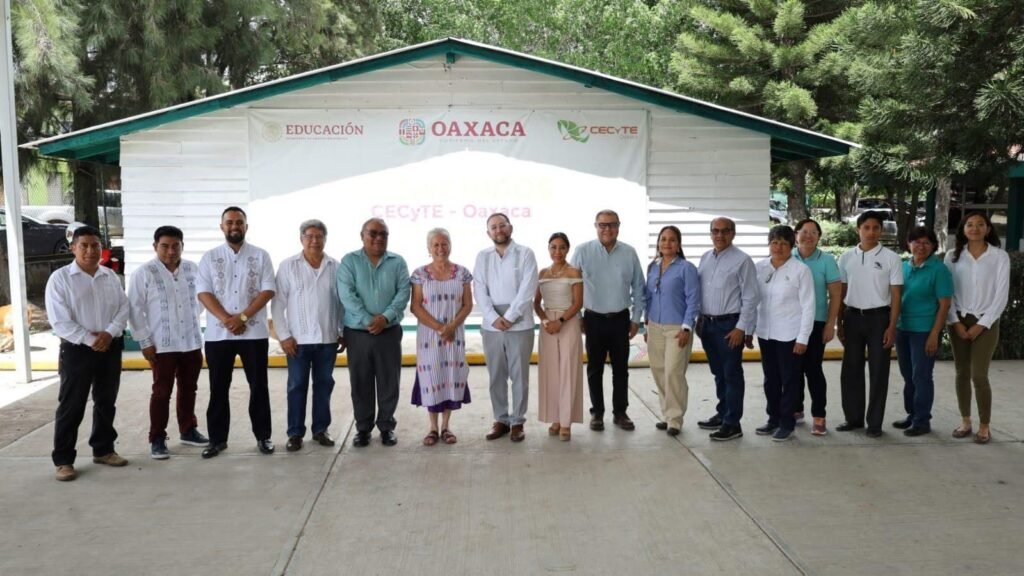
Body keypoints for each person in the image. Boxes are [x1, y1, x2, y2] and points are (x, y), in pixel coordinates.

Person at [46, 225, 130, 481]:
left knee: (106, 401)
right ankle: (63, 460)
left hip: (109, 347)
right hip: (77, 349)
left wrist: (109, 333)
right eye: (84, 246)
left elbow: (123, 308)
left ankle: (103, 449)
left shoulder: (109, 276)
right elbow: (60, 321)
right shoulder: (60, 279)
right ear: (73, 248)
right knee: (72, 404)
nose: (90, 251)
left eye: (95, 245)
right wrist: (92, 339)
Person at [197, 206, 277, 458]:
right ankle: (217, 440)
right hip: (218, 335)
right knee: (218, 388)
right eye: (230, 222)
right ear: (222, 226)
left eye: (239, 222)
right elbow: (203, 292)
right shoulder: (209, 258)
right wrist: (227, 320)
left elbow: (268, 290)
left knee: (259, 386)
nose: (234, 226)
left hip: (254, 334)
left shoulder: (260, 256)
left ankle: (263, 436)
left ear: (246, 226)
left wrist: (242, 318)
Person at [128, 225, 209, 460]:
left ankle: (188, 429)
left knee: (189, 388)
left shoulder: (193, 270)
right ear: (155, 246)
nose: (171, 251)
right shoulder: (144, 273)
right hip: (161, 345)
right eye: (165, 246)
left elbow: (200, 302)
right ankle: (157, 438)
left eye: (176, 246)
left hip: (191, 341)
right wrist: (144, 341)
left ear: (183, 246)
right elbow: (135, 310)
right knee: (162, 392)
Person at [272, 220, 344, 452]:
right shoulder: (288, 266)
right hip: (297, 342)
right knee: (297, 386)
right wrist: (284, 336)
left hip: (327, 340)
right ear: (301, 239)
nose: (314, 241)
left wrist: (341, 331)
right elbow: (278, 304)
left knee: (324, 385)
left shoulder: (335, 266)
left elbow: (341, 303)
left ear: (325, 239)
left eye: (319, 236)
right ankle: (295, 433)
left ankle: (321, 430)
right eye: (309, 236)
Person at [338, 218, 411, 447]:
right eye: (373, 233)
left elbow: (403, 293)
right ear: (362, 235)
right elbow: (347, 295)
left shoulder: (397, 262)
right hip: (358, 333)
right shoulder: (349, 261)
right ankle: (363, 428)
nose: (378, 237)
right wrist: (370, 320)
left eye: (383, 234)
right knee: (361, 382)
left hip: (389, 332)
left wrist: (385, 318)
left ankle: (387, 427)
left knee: (389, 381)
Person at [571, 209, 646, 432]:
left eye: (612, 224)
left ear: (618, 227)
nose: (607, 229)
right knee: (595, 369)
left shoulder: (629, 253)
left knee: (621, 369)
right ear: (596, 226)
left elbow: (639, 287)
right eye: (602, 225)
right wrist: (578, 317)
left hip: (620, 320)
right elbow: (571, 286)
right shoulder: (582, 251)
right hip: (593, 320)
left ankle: (620, 412)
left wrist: (636, 320)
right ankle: (597, 413)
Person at [944, 212, 1010, 444]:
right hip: (959, 321)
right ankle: (965, 421)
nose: (975, 228)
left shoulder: (999, 257)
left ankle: (984, 425)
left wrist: (981, 325)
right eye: (970, 225)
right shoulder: (952, 256)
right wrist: (955, 322)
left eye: (980, 224)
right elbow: (947, 292)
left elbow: (1001, 296)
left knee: (979, 375)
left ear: (988, 229)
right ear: (963, 229)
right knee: (962, 373)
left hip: (987, 322)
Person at [836, 210, 903, 438]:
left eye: (876, 228)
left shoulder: (891, 258)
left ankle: (874, 423)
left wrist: (892, 326)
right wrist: (839, 322)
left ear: (881, 230)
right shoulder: (846, 257)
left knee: (879, 370)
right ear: (858, 230)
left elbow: (896, 295)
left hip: (879, 319)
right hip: (852, 317)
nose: (871, 232)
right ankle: (853, 418)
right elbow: (841, 292)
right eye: (866, 227)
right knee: (851, 369)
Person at [474, 213, 538, 442]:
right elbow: (479, 289)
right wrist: (493, 317)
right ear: (488, 233)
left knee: (520, 376)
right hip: (492, 327)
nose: (498, 230)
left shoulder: (525, 253)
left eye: (502, 225)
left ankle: (517, 422)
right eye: (493, 227)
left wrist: (509, 317)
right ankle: (501, 419)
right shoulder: (483, 257)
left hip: (519, 324)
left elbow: (528, 288)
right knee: (496, 376)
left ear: (510, 228)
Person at [696, 217, 759, 441]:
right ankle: (723, 413)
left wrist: (742, 328)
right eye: (715, 231)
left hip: (729, 325)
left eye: (725, 231)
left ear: (733, 233)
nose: (719, 235)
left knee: (732, 374)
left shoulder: (742, 260)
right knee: (718, 373)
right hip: (707, 324)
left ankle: (733, 424)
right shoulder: (705, 258)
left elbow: (751, 297)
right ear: (710, 233)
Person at [409, 228, 473, 446]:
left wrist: (451, 327)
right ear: (429, 248)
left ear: (450, 245)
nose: (440, 248)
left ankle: (446, 426)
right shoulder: (420, 274)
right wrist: (440, 328)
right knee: (431, 378)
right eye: (435, 245)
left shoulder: (462, 273)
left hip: (454, 335)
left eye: (444, 244)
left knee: (450, 376)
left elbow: (467, 304)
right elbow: (416, 306)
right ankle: (432, 428)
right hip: (429, 336)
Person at [753, 226, 815, 442]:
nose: (778, 247)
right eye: (774, 242)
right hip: (765, 332)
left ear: (792, 245)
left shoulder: (800, 270)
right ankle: (773, 418)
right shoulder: (760, 267)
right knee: (770, 379)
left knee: (790, 380)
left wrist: (803, 338)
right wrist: (749, 329)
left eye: (783, 243)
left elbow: (808, 306)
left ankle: (787, 422)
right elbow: (753, 300)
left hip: (790, 335)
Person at [893, 226, 953, 437]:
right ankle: (912, 415)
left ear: (933, 246)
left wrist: (934, 334)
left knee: (922, 376)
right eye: (916, 241)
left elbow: (944, 305)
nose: (921, 246)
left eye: (926, 242)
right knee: (908, 375)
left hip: (924, 332)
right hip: (902, 329)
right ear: (909, 244)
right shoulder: (903, 267)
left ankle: (922, 420)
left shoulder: (939, 270)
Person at [643, 225, 700, 436]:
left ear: (679, 244)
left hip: (677, 328)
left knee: (673, 373)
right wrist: (646, 324)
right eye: (663, 239)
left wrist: (687, 327)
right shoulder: (652, 267)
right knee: (659, 371)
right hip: (655, 327)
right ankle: (667, 415)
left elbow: (693, 300)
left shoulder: (686, 268)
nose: (667, 243)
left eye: (672, 239)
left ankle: (675, 419)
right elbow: (648, 297)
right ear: (658, 243)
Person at [792, 219, 842, 435]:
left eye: (813, 232)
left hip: (816, 322)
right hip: (790, 324)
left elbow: (836, 295)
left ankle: (819, 416)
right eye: (804, 232)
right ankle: (796, 409)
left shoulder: (827, 261)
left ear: (819, 236)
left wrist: (831, 324)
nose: (808, 236)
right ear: (796, 235)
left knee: (813, 370)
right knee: (793, 370)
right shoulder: (787, 256)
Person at [534, 232, 584, 441]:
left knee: (568, 370)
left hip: (568, 322)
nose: (557, 251)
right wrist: (546, 321)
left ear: (567, 249)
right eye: (553, 247)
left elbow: (578, 303)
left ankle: (566, 421)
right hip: (548, 326)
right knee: (551, 371)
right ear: (548, 249)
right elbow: (536, 303)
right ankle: (555, 418)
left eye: (562, 247)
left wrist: (560, 321)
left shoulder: (573, 272)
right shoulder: (543, 273)